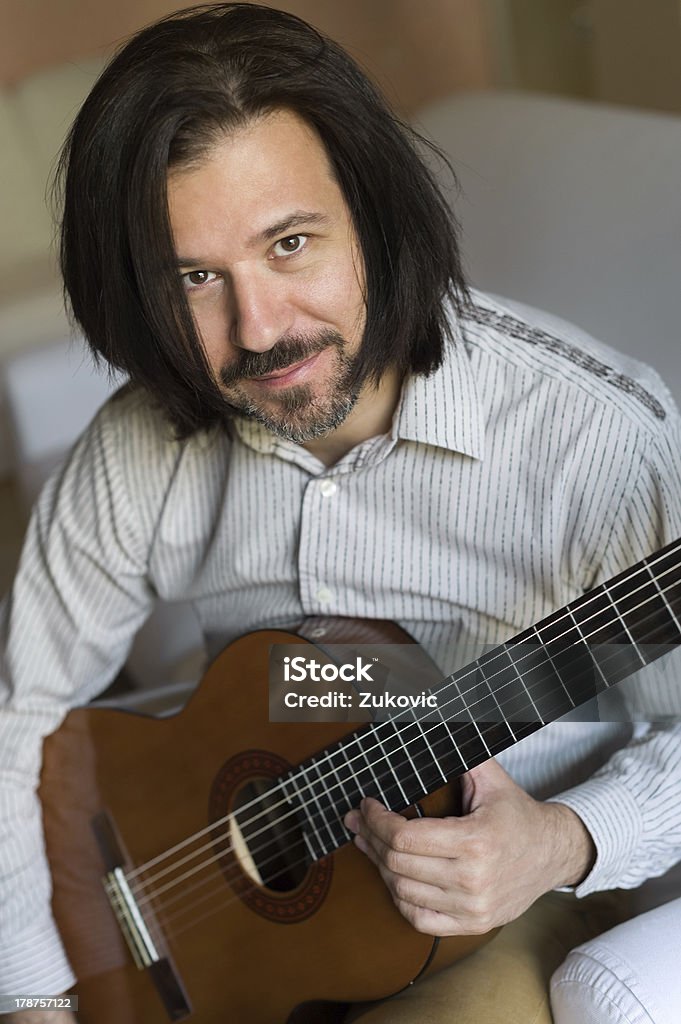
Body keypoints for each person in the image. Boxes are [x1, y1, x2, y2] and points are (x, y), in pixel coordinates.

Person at [1, 4, 680, 1022]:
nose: (261, 328)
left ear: (373, 211)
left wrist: (562, 838)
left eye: (290, 242)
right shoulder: (137, 448)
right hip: (216, 888)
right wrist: (35, 995)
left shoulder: (599, 439)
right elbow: (25, 716)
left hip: (487, 914)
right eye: (196, 277)